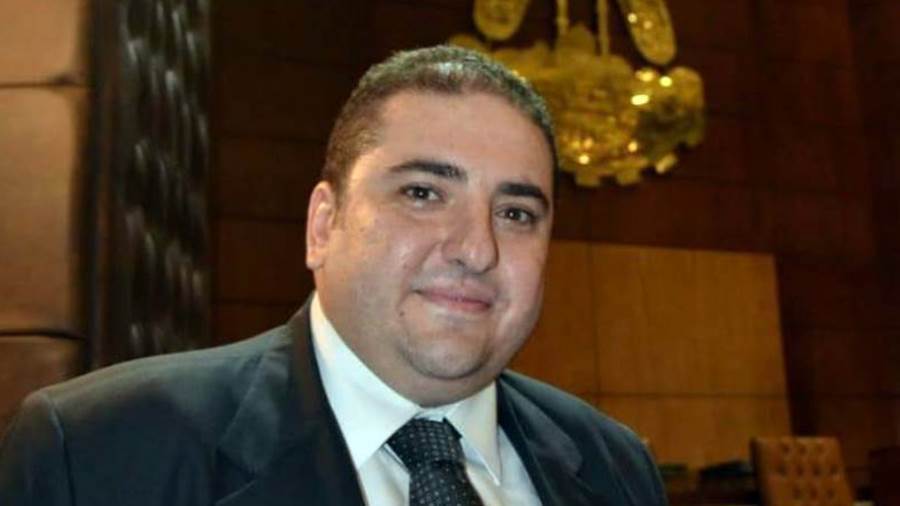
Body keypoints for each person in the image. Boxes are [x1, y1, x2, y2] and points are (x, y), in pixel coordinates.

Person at [0, 45, 667, 506]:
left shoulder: (614, 467)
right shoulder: (97, 453)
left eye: (516, 213)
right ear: (323, 225)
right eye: (422, 194)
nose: (477, 249)